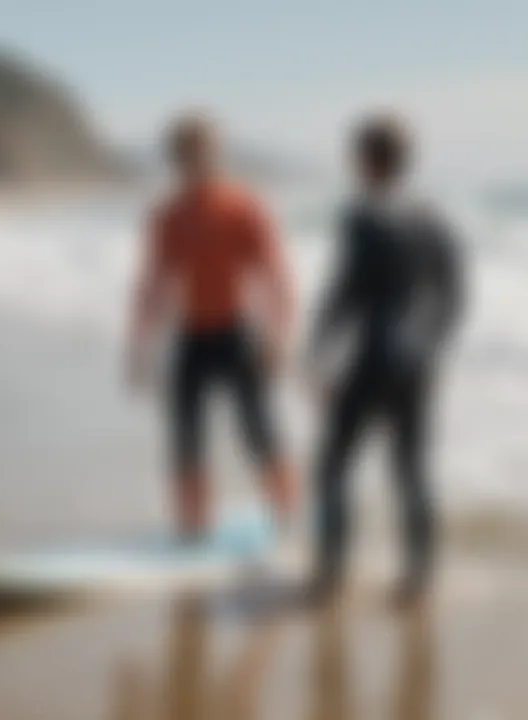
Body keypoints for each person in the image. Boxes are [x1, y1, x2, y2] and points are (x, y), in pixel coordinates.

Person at [308, 115, 464, 606]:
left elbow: (347, 292)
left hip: (373, 355)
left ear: (364, 160)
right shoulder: (434, 216)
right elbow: (454, 295)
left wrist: (319, 352)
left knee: (333, 466)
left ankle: (332, 574)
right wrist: (435, 351)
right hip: (418, 360)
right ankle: (421, 575)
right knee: (412, 469)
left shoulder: (362, 215)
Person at [127, 113, 299, 538]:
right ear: (174, 159)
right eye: (186, 155)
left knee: (258, 430)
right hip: (192, 336)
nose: (196, 162)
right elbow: (154, 284)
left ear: (216, 154)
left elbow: (276, 277)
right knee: (184, 438)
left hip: (239, 334)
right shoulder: (168, 216)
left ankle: (290, 518)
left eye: (203, 153)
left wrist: (278, 336)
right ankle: (192, 529)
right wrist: (139, 346)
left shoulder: (242, 206)